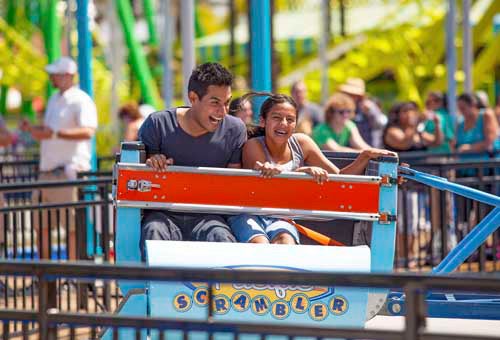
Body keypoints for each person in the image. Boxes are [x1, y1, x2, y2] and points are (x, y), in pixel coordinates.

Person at [229, 92, 396, 245]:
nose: (283, 124)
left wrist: (365, 156)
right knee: (260, 245)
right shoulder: (253, 145)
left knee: (286, 243)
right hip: (250, 213)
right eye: (277, 117)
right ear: (263, 121)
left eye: (290, 119)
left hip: (281, 217)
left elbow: (339, 178)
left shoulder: (302, 143)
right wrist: (303, 173)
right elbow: (270, 184)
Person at [138, 62, 247, 255]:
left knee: (222, 239)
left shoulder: (235, 130)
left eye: (227, 103)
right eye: (215, 103)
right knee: (153, 232)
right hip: (163, 216)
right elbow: (138, 175)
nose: (222, 112)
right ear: (193, 98)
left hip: (209, 219)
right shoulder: (157, 124)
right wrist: (152, 163)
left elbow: (235, 184)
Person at [19, 56, 98, 260]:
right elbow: (50, 132)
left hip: (67, 172)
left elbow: (88, 131)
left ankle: (72, 277)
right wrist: (33, 130)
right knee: (41, 225)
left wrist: (55, 133)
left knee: (72, 228)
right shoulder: (55, 99)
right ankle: (45, 278)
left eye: (55, 74)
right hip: (47, 172)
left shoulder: (81, 99)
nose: (51, 77)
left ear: (67, 76)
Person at [339, 78, 387, 148]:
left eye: (353, 94)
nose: (350, 97)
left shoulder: (369, 106)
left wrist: (371, 112)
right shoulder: (340, 108)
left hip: (369, 148)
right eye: (348, 94)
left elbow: (380, 124)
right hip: (348, 150)